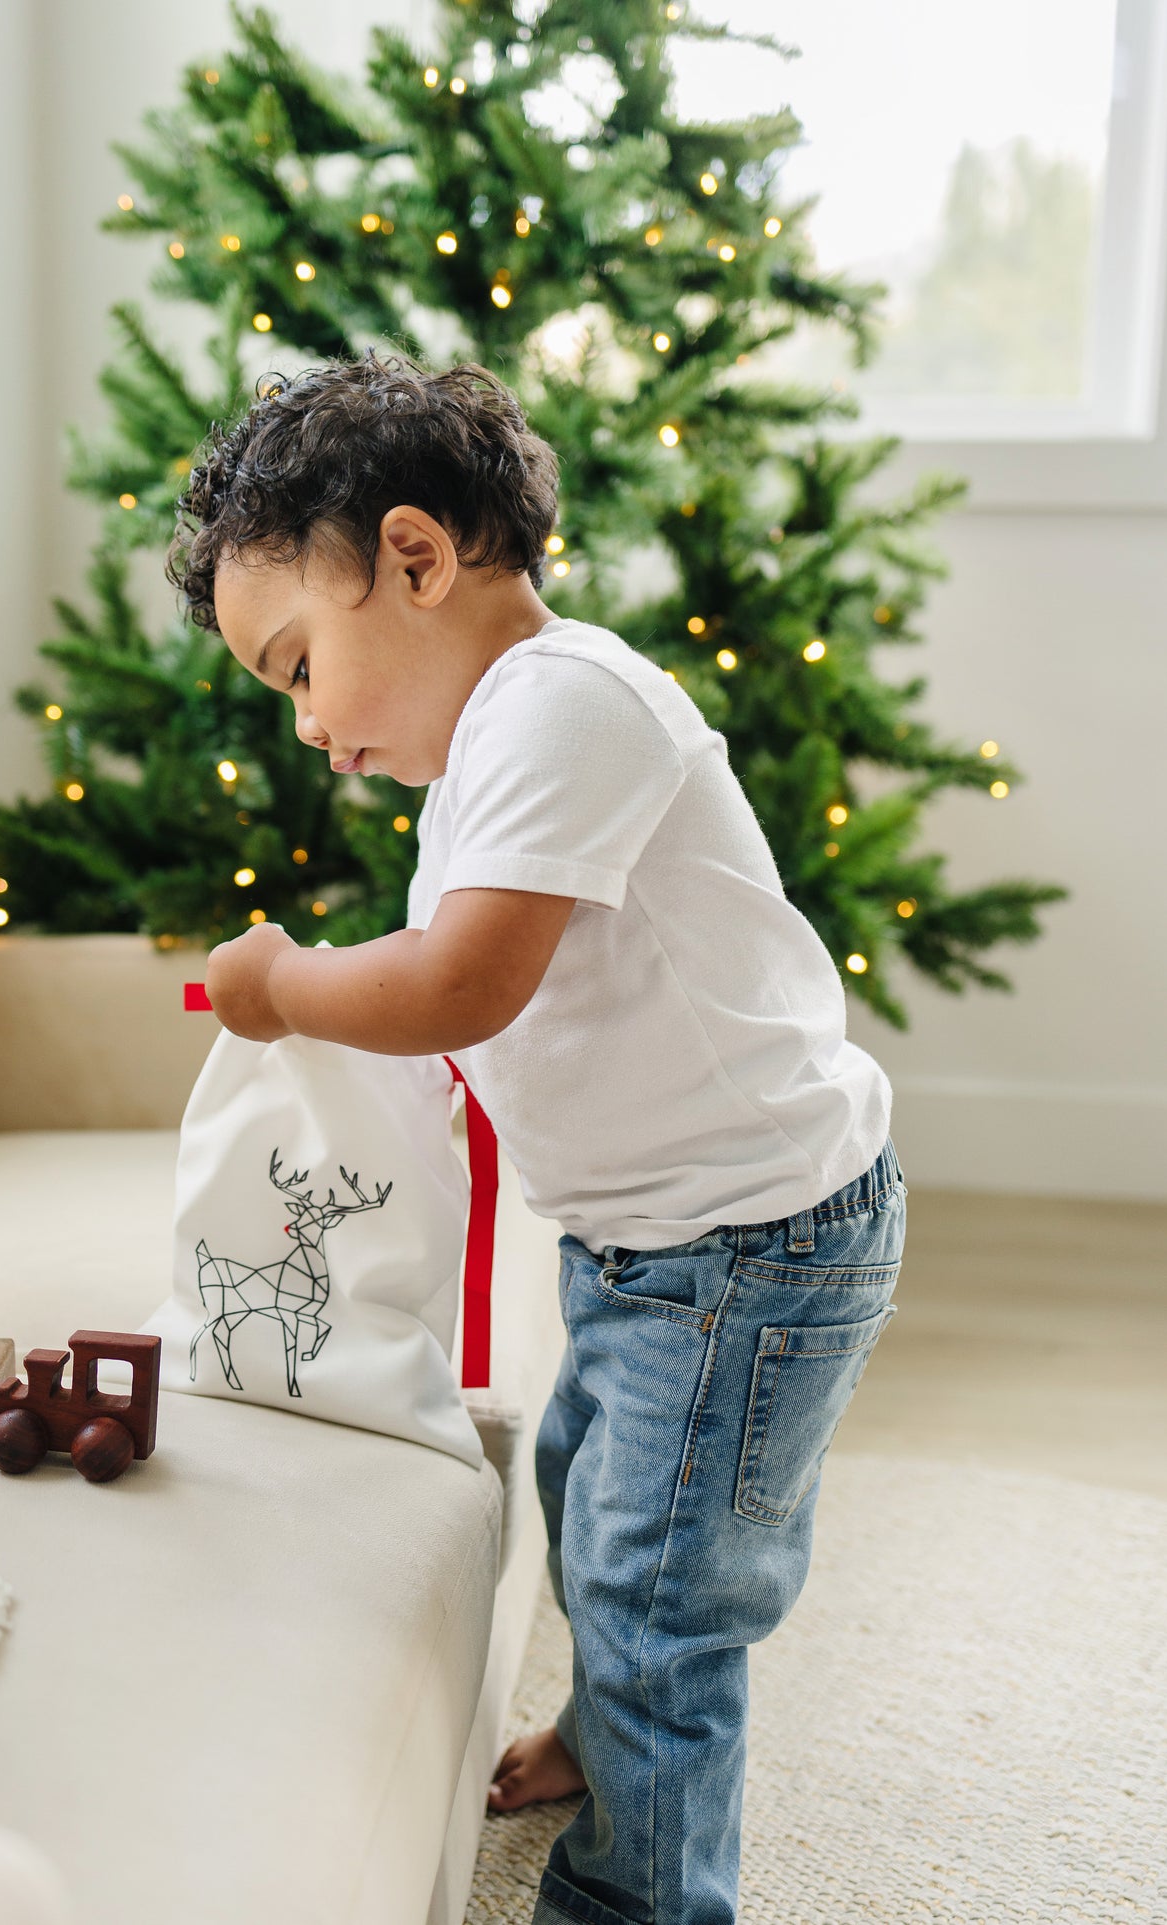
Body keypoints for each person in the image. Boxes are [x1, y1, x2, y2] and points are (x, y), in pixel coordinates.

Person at [168, 350, 907, 1925]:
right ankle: (597, 1726)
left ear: (416, 560)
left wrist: (285, 983)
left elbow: (460, 978)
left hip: (745, 1245)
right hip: (654, 1240)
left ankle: (640, 1898)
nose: (306, 728)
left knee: (661, 1593)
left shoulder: (564, 702)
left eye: (298, 665)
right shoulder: (502, 742)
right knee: (594, 1505)